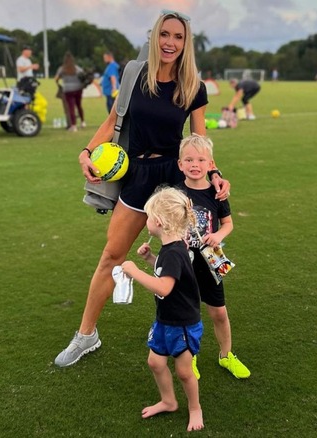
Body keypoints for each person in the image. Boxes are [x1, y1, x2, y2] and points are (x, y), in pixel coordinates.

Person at [54, 9, 231, 368]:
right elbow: (112, 120)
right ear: (155, 38)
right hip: (137, 173)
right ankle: (86, 335)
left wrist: (214, 173)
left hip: (173, 177)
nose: (170, 43)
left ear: (186, 43)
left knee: (187, 258)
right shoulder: (135, 75)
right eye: (165, 35)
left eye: (178, 37)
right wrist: (86, 151)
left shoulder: (193, 85)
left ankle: (185, 339)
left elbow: (198, 139)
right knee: (112, 255)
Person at [121, 186, 204, 432]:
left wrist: (135, 272)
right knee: (156, 363)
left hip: (182, 324)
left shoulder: (175, 252)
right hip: (165, 320)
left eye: (147, 217)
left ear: (157, 221)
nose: (146, 221)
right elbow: (169, 273)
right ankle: (169, 401)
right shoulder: (171, 250)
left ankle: (194, 407)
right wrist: (150, 260)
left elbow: (165, 287)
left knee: (184, 372)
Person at [176, 133, 250, 379]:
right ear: (180, 165)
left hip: (211, 261)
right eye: (188, 160)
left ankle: (226, 355)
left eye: (200, 160)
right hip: (184, 264)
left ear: (211, 165)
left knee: (218, 312)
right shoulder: (176, 193)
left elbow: (228, 224)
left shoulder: (217, 193)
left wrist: (218, 235)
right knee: (190, 312)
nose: (194, 165)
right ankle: (192, 357)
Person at [54, 52, 86, 132]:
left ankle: (74, 126)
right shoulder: (77, 68)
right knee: (79, 105)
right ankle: (82, 122)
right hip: (78, 88)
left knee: (71, 108)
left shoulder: (62, 69)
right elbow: (83, 76)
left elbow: (56, 78)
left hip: (68, 89)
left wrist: (60, 81)